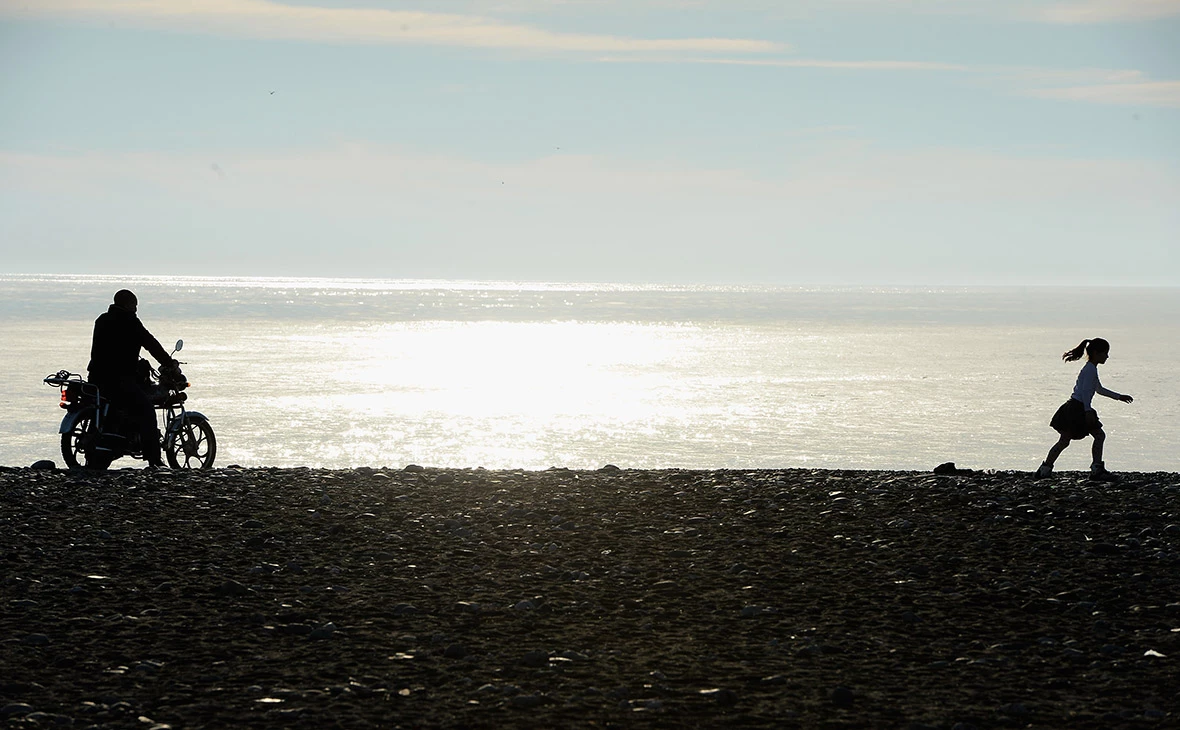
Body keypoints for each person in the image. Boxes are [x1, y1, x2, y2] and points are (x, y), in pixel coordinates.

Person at [87, 289, 175, 467]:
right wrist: (168, 362)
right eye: (135, 305)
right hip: (119, 380)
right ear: (128, 304)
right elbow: (151, 343)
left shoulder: (102, 319)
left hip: (96, 377)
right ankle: (154, 459)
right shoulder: (129, 321)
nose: (136, 309)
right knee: (147, 411)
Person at [1036, 338, 1133, 481]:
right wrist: (1087, 411)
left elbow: (1098, 389)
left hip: (1076, 407)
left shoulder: (1091, 368)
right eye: (1105, 353)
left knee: (1065, 440)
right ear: (1095, 353)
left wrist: (1119, 397)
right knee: (1097, 436)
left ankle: (1045, 470)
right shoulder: (1089, 370)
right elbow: (1087, 392)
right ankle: (1096, 470)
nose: (1107, 356)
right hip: (1078, 408)